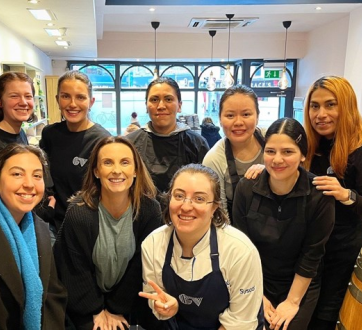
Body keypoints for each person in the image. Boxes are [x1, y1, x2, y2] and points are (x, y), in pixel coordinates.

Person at [232, 118, 335, 330]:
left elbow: (311, 255)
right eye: (270, 151)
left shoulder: (319, 195)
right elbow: (240, 248)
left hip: (300, 283)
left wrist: (292, 302)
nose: (277, 159)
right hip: (255, 278)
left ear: (303, 154)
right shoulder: (246, 188)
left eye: (287, 152)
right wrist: (257, 294)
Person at [53, 136, 163, 330]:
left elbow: (141, 265)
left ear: (136, 170)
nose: (117, 170)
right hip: (85, 304)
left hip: (130, 302)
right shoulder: (79, 214)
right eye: (107, 163)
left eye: (125, 162)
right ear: (96, 171)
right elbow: (74, 270)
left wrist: (115, 309)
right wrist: (96, 310)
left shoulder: (149, 211)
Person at [140, 163, 264, 330]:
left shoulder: (239, 251)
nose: (186, 206)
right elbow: (154, 293)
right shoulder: (153, 244)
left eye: (199, 199)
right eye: (179, 196)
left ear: (214, 207)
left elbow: (241, 321)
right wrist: (164, 308)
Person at [0, 143, 67, 329]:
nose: (29, 184)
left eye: (37, 176)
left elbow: (53, 295)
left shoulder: (40, 229)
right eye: (17, 174)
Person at [302, 76, 362, 330]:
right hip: (313, 254)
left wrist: (347, 195)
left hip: (344, 257)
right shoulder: (311, 147)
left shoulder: (358, 152)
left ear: (346, 106)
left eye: (330, 105)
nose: (321, 114)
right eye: (315, 106)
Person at [40, 70, 110, 231]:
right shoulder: (50, 134)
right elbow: (43, 177)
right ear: (57, 100)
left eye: (80, 97)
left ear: (91, 102)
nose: (72, 104)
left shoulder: (102, 141)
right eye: (65, 96)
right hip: (54, 225)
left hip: (88, 226)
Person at [127, 77, 209, 194]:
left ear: (179, 105)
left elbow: (207, 188)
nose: (161, 106)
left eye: (168, 99)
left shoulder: (197, 144)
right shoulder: (131, 144)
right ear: (146, 106)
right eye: (154, 100)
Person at [202, 85, 265, 220]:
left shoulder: (272, 140)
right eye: (230, 115)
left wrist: (271, 170)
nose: (238, 122)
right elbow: (220, 214)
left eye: (246, 114)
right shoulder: (213, 160)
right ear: (220, 118)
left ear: (257, 117)